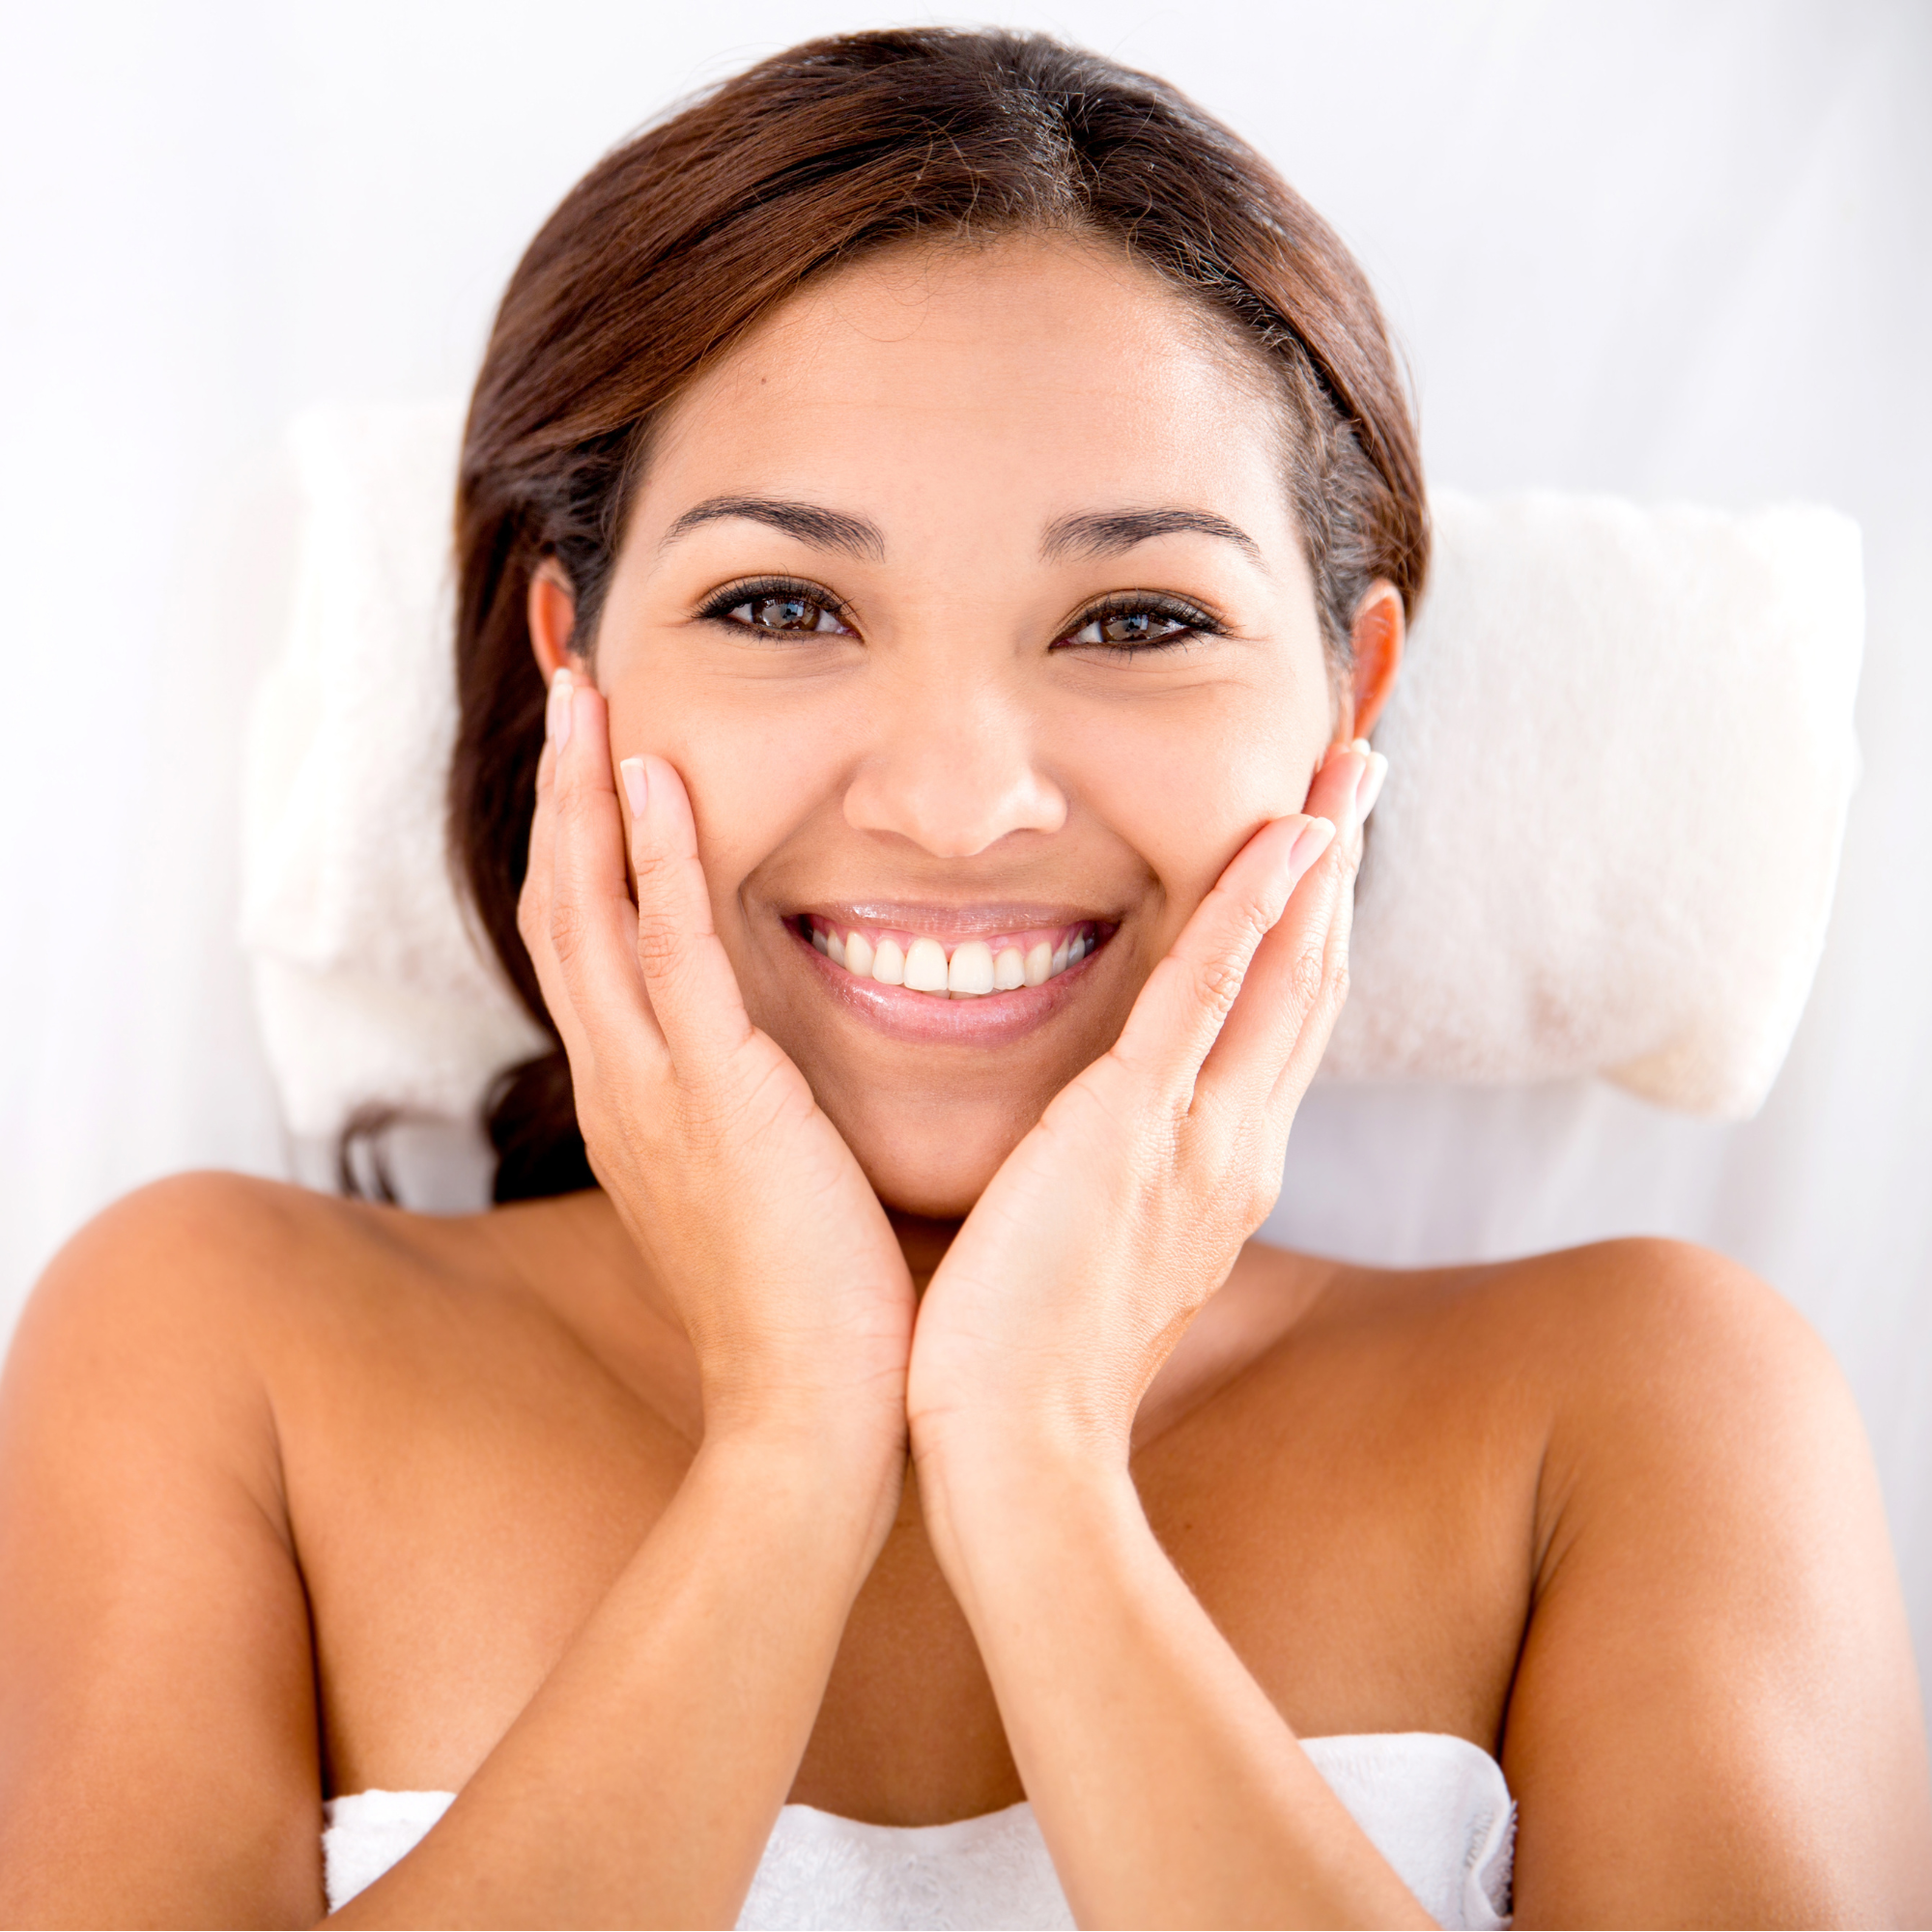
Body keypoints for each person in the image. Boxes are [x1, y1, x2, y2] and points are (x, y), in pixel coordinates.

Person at [1, 28, 1926, 1929]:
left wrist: (1039, 1467)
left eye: (1135, 617)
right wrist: (785, 1448)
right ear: (570, 671)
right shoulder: (219, 1350)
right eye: (781, 604)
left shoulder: (1635, 1411)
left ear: (1351, 696)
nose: (954, 803)